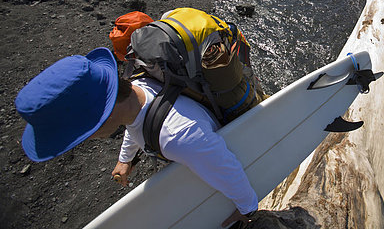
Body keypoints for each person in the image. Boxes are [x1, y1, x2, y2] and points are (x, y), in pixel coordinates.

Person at [14, 47, 256, 227]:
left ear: (105, 116)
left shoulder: (178, 137)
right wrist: (125, 159)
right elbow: (136, 123)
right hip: (192, 152)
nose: (87, 139)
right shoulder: (138, 85)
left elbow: (228, 169)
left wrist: (247, 210)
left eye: (83, 134)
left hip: (199, 156)